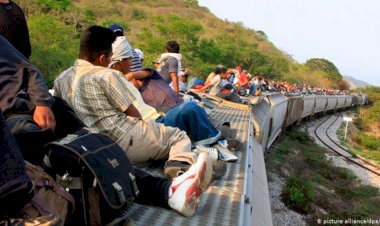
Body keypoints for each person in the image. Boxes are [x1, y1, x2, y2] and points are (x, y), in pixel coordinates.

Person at [54, 26, 208, 178]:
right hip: (122, 139)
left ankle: (153, 156)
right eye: (109, 58)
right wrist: (148, 133)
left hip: (91, 146)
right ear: (102, 58)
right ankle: (178, 167)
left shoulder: (61, 79)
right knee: (178, 136)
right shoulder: (107, 75)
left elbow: (64, 113)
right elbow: (133, 114)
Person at [0, 35, 85, 165]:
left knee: (90, 143)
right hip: (11, 120)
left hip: (33, 104)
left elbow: (30, 69)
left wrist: (42, 103)